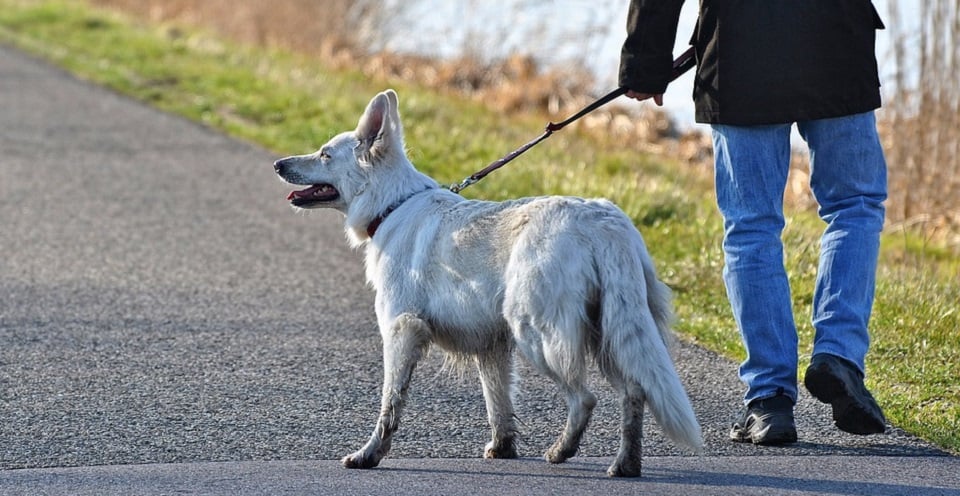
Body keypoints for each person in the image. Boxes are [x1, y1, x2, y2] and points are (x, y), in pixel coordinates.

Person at [618, 0, 888, 444]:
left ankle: (769, 401)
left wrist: (644, 62)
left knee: (751, 228)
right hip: (835, 42)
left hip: (740, 53)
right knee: (854, 206)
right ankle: (838, 354)